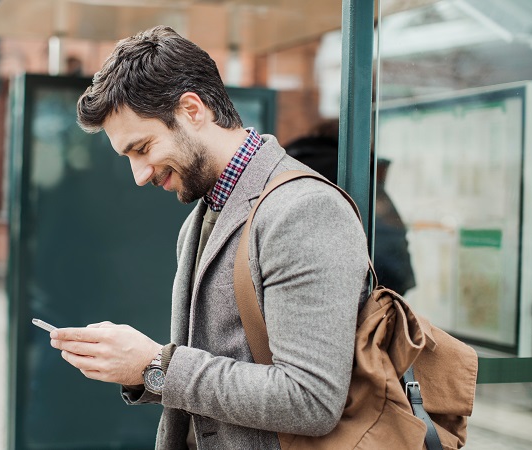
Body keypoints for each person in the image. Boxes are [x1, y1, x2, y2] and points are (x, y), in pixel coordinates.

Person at [50, 26, 371, 449]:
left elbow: (311, 399)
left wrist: (153, 363)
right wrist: (138, 368)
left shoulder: (303, 210)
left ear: (192, 110)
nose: (140, 175)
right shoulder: (201, 215)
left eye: (143, 148)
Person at [283, 120, 416, 296]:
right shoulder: (355, 175)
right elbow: (388, 236)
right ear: (358, 142)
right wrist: (396, 286)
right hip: (353, 293)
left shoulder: (288, 167)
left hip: (293, 283)